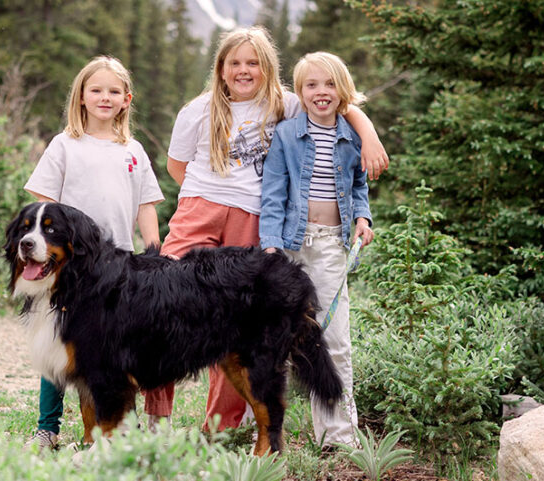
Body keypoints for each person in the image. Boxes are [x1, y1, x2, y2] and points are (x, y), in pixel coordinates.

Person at [144, 28, 387, 433]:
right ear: (220, 69)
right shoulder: (197, 110)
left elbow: (335, 103)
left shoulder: (286, 104)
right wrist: (212, 192)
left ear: (267, 68)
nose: (243, 70)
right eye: (234, 63)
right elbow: (176, 167)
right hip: (198, 209)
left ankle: (220, 427)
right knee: (162, 307)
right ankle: (156, 420)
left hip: (253, 217)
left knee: (234, 322)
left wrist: (369, 133)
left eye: (252, 63)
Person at [23, 55, 164, 449]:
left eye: (113, 91)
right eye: (96, 90)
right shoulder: (65, 145)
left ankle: (121, 426)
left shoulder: (132, 150)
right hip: (71, 269)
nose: (105, 97)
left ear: (126, 99)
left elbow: (146, 205)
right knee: (59, 344)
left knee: (117, 352)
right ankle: (47, 428)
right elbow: (43, 206)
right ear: (81, 97)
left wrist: (153, 252)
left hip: (119, 271)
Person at [259, 51, 375, 449]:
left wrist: (363, 218)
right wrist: (270, 246)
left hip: (330, 246)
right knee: (290, 339)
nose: (320, 92)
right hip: (290, 247)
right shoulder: (288, 135)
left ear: (342, 90)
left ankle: (339, 436)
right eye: (311, 85)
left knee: (334, 340)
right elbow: (273, 195)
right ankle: (270, 429)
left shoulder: (352, 135)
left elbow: (358, 187)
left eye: (329, 84)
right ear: (300, 91)